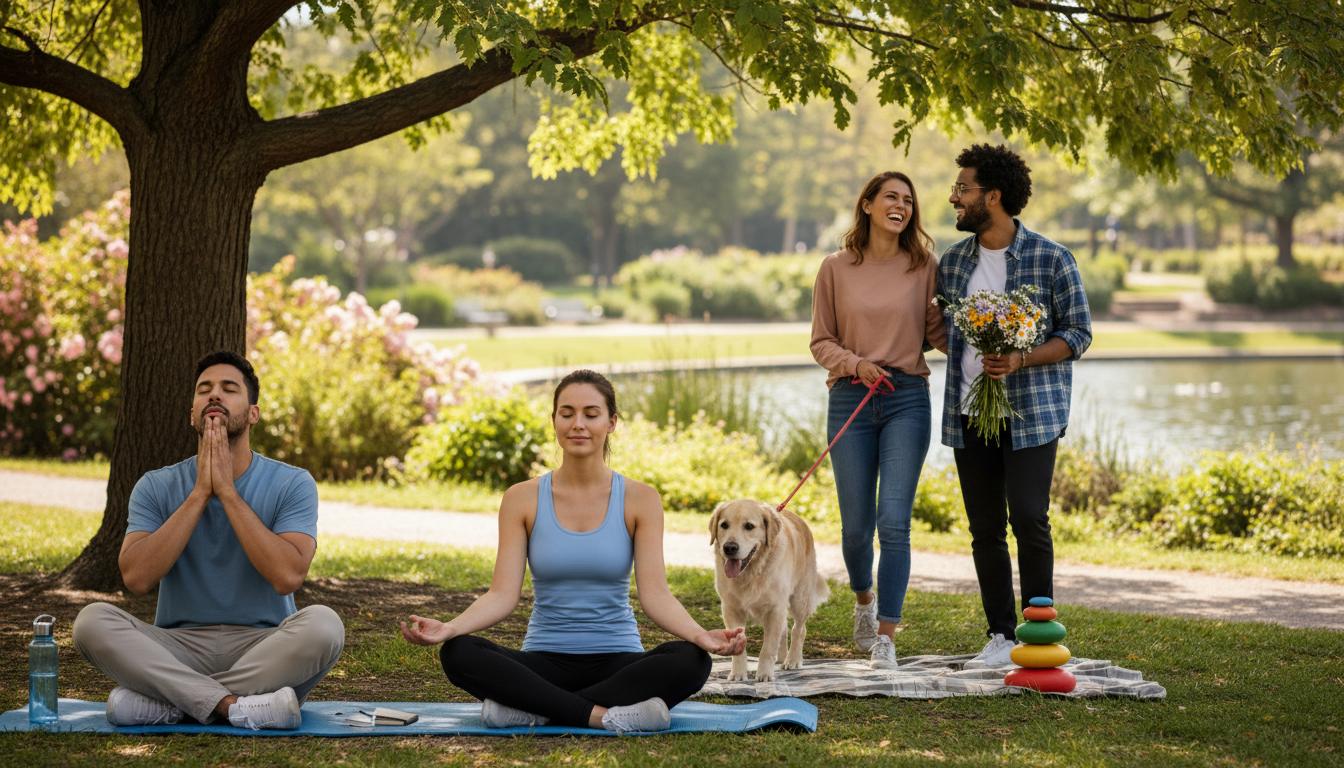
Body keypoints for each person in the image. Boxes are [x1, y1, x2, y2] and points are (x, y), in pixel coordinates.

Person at [400, 369, 746, 732]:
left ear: (611, 422)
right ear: (554, 421)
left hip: (618, 661)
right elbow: (502, 594)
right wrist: (450, 628)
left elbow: (655, 594)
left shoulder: (641, 500)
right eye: (567, 413)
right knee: (459, 652)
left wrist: (699, 636)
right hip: (543, 659)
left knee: (691, 660)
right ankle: (603, 716)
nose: (578, 424)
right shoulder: (522, 498)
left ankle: (534, 708)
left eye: (591, 414)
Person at [72, 351, 344, 729]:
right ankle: (237, 707)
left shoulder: (292, 483)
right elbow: (136, 578)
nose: (214, 395)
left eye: (229, 389)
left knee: (324, 626)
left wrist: (228, 494)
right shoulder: (156, 485)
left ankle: (175, 705)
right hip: (178, 648)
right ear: (191, 414)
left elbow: (287, 576)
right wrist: (200, 493)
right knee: (91, 622)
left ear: (253, 413)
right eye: (205, 390)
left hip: (265, 649)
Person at [937, 144, 1092, 668]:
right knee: (985, 528)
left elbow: (1079, 333)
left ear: (993, 196)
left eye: (963, 189)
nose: (954, 198)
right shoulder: (953, 262)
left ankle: (1039, 632)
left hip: (1033, 414)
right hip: (968, 411)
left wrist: (1020, 358)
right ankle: (1001, 635)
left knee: (1028, 517)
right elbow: (940, 330)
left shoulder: (1053, 258)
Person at [809, 171, 948, 665]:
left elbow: (935, 332)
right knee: (855, 529)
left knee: (894, 520)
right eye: (891, 196)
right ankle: (864, 602)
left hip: (907, 396)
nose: (901, 205)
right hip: (851, 398)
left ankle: (886, 635)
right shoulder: (835, 267)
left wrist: (990, 337)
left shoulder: (924, 265)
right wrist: (855, 365)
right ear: (867, 204)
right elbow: (821, 341)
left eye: (908, 199)